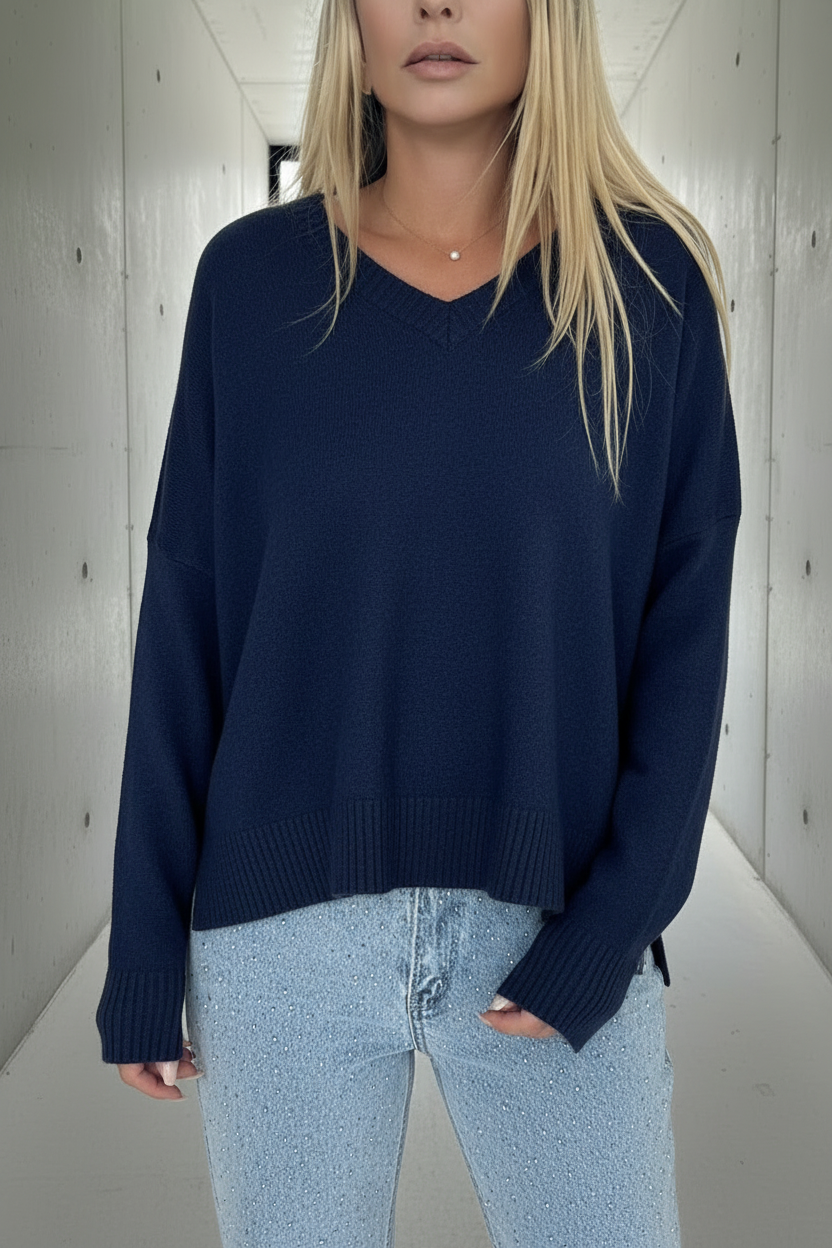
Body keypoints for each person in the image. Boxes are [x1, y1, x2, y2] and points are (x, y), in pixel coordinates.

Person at [96, 0, 741, 1244]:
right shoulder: (250, 281)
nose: (435, 7)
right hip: (277, 941)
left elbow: (684, 639)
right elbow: (185, 614)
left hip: (555, 923)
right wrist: (143, 946)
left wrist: (612, 929)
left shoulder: (648, 284)